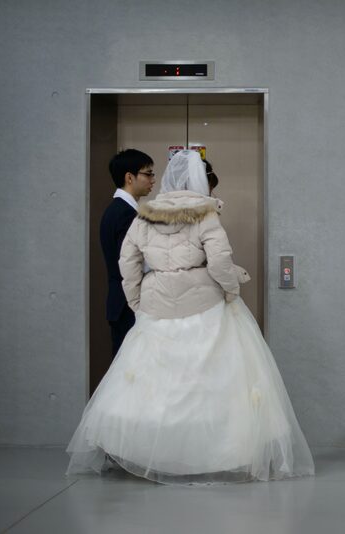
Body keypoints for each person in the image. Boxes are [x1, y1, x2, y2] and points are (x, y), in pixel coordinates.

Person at [67, 150, 314, 484]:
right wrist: (230, 292)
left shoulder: (143, 216)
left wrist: (138, 301)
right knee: (210, 380)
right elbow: (220, 262)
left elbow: (127, 264)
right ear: (198, 181)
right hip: (204, 306)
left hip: (156, 309)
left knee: (160, 381)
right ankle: (211, 455)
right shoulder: (205, 215)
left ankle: (154, 454)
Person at [100, 149, 155, 359]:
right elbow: (132, 262)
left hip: (120, 301)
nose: (153, 180)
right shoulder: (125, 213)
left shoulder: (116, 209)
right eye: (148, 174)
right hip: (127, 304)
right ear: (129, 177)